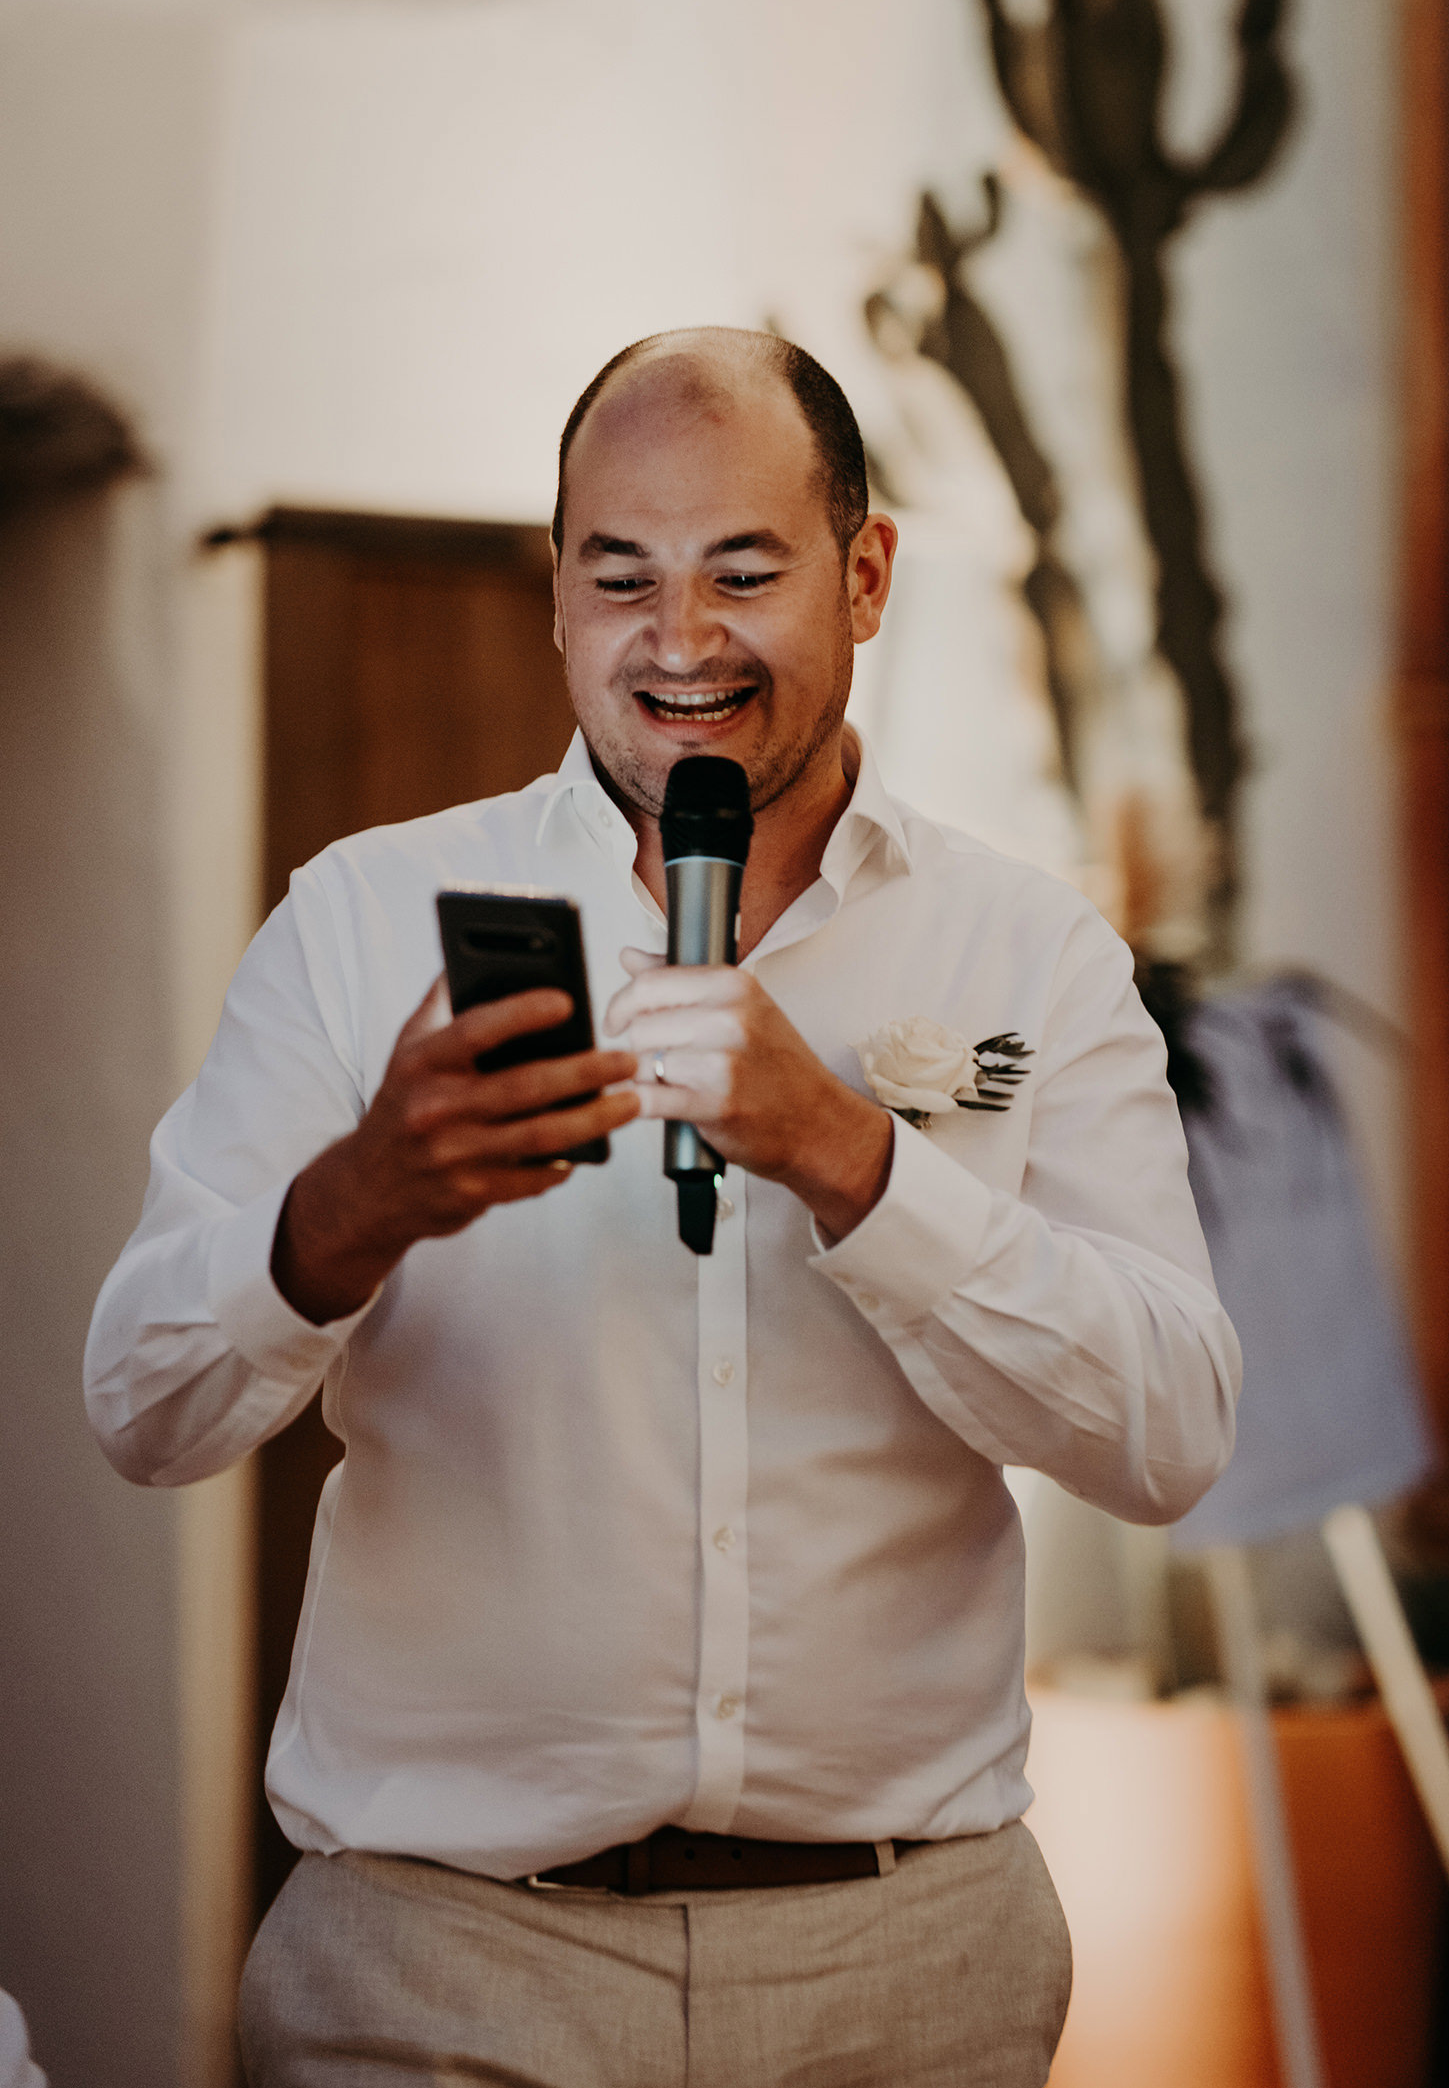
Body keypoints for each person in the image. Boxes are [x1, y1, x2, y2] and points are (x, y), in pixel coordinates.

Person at [86, 328, 1239, 2087]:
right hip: (440, 1960)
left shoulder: (1029, 951)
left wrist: (853, 1159)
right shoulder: (364, 918)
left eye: (743, 574)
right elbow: (142, 1407)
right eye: (621, 576)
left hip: (906, 1964)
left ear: (865, 577)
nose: (680, 639)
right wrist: (357, 1201)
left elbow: (1170, 1434)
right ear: (558, 593)